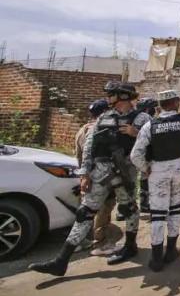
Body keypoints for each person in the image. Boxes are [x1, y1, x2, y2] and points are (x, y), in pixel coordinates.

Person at [29, 81, 151, 276]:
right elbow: (89, 147)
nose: (107, 98)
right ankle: (61, 261)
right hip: (100, 174)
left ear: (124, 96)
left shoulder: (142, 118)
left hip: (125, 173)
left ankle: (130, 246)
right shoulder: (104, 116)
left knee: (129, 209)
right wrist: (84, 173)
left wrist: (135, 134)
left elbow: (151, 145)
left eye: (111, 95)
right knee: (84, 213)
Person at [130, 89, 180, 272]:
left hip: (158, 172)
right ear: (175, 102)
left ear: (160, 106)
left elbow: (135, 154)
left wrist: (145, 168)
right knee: (176, 210)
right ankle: (171, 251)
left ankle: (156, 259)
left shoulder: (151, 125)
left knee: (158, 214)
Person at [73, 98, 115, 251]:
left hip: (87, 177)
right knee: (104, 209)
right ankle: (100, 241)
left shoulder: (82, 130)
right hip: (103, 178)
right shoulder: (102, 130)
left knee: (85, 210)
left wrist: (84, 176)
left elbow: (79, 155)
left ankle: (81, 240)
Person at [136, 97, 159, 214]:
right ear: (148, 108)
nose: (155, 110)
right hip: (144, 153)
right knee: (146, 179)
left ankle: (122, 211)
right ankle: (145, 204)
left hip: (131, 154)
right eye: (153, 108)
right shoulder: (147, 118)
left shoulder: (133, 117)